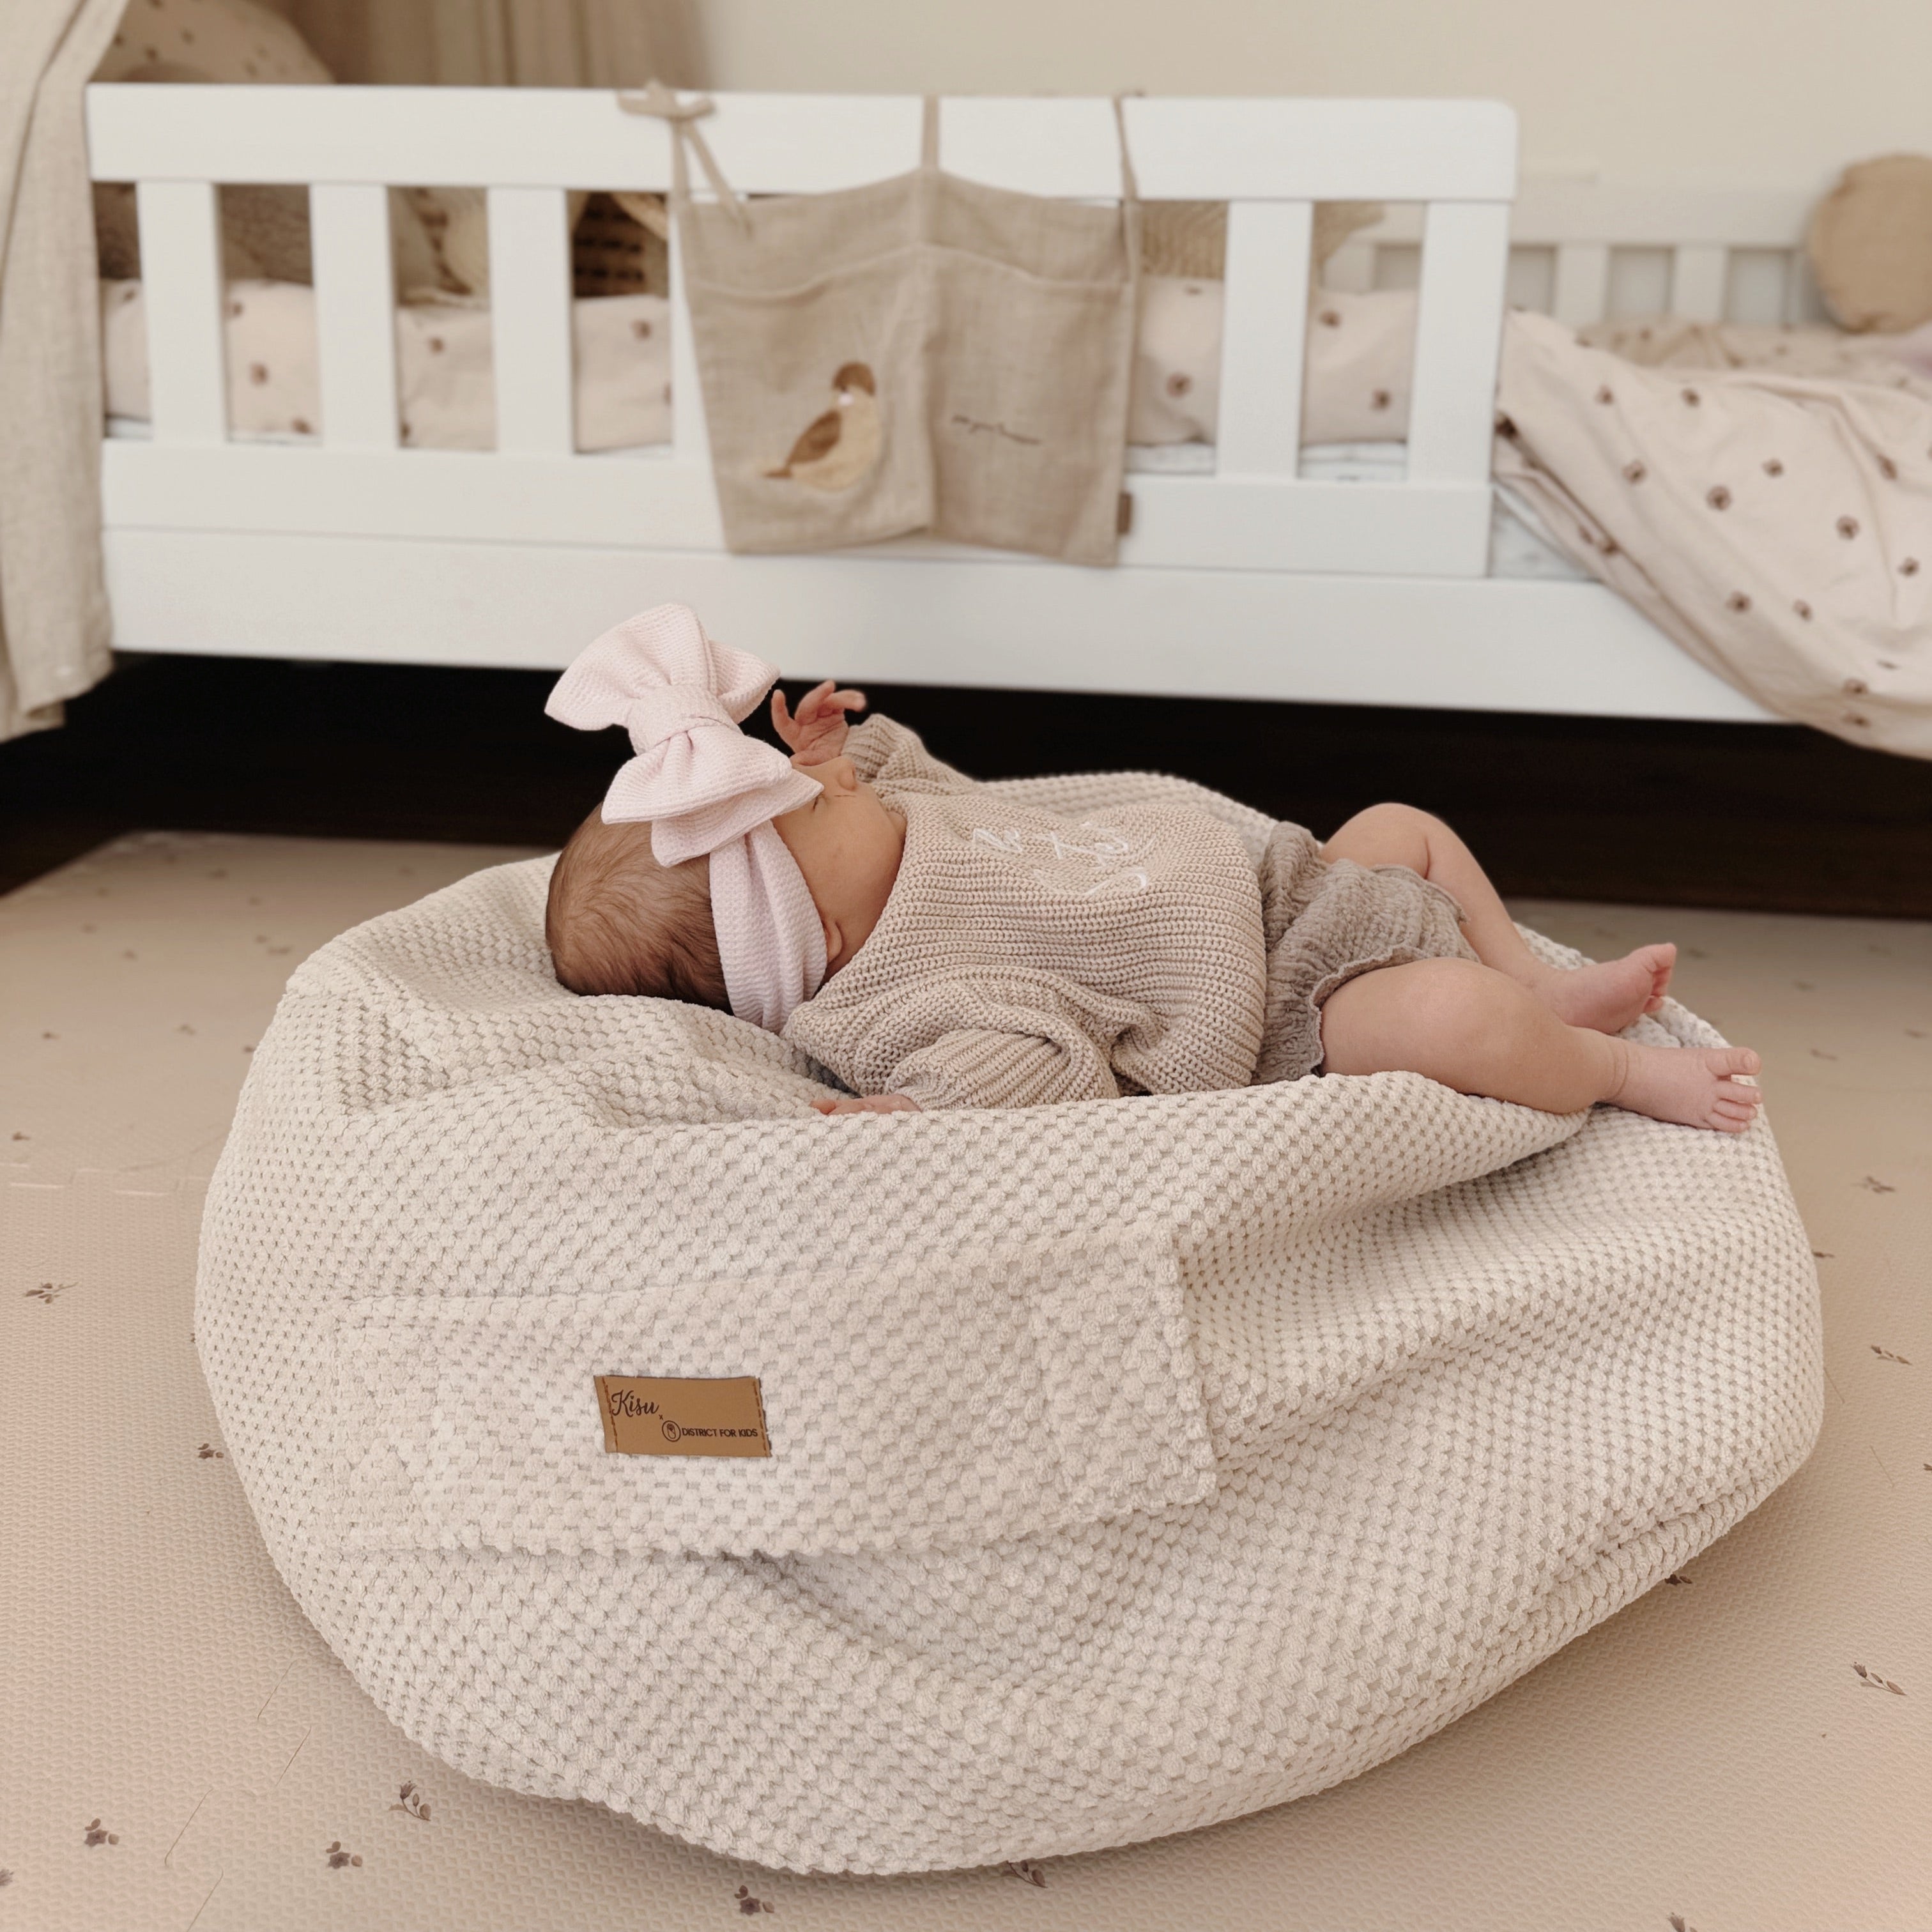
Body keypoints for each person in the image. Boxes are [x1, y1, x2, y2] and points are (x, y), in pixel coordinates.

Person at [546, 605, 1762, 1135]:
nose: (834, 780)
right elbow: (1031, 1069)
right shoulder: (891, 996)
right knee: (1451, 1017)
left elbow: (901, 767)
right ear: (814, 933)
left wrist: (829, 755)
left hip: (1278, 890)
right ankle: (1612, 1072)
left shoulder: (891, 817)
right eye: (811, 800)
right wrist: (917, 1113)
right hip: (1275, 1018)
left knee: (1404, 826)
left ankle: (1540, 989)